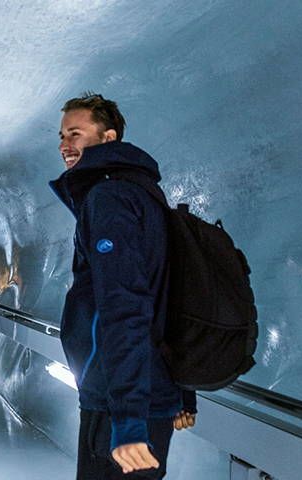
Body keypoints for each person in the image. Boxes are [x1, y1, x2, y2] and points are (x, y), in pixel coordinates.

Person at [48, 93, 197, 479]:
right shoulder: (144, 191)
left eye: (76, 134)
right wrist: (181, 389)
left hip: (118, 400)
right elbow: (172, 295)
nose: (65, 145)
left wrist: (128, 419)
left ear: (108, 137)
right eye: (62, 135)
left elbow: (123, 305)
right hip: (151, 388)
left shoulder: (109, 197)